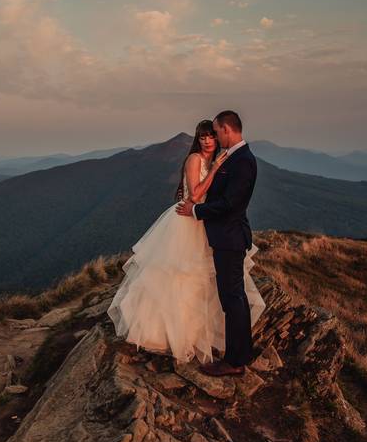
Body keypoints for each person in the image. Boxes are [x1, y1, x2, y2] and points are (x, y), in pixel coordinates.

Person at [106, 119, 265, 367]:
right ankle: (170, 334)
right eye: (202, 137)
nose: (207, 141)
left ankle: (209, 338)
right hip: (188, 221)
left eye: (211, 136)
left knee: (208, 284)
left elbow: (226, 199)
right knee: (179, 277)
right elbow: (196, 195)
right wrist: (212, 172)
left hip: (207, 224)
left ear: (221, 133)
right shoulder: (196, 160)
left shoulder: (228, 159)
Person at [176, 110, 261, 376]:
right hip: (227, 236)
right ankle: (241, 353)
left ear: (226, 129)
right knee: (233, 297)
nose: (214, 137)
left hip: (230, 238)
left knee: (232, 298)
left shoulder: (242, 161)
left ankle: (235, 361)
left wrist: (196, 211)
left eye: (216, 131)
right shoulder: (234, 157)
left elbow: (229, 204)